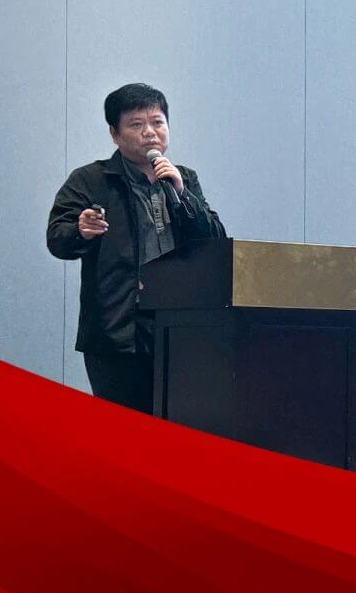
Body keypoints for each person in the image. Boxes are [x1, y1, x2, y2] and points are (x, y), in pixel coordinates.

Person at [47, 83, 225, 413]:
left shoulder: (183, 179)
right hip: (118, 333)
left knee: (179, 428)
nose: (149, 133)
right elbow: (57, 238)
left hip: (181, 331)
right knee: (123, 431)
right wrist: (81, 230)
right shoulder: (91, 180)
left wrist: (182, 194)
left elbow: (214, 241)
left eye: (157, 122)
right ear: (114, 133)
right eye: (136, 124)